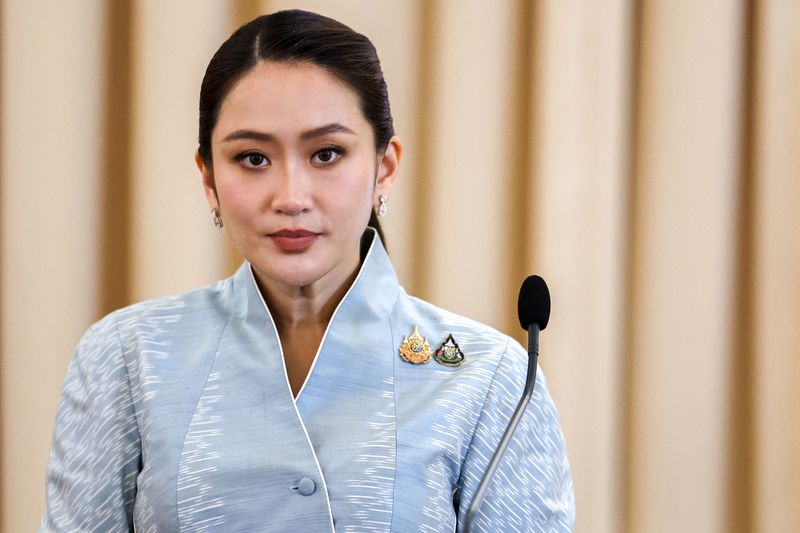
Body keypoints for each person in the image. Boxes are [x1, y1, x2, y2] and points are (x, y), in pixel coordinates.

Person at [40, 9, 574, 532]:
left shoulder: (492, 377)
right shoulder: (125, 358)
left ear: (383, 169)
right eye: (253, 158)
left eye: (326, 154)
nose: (291, 197)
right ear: (209, 179)